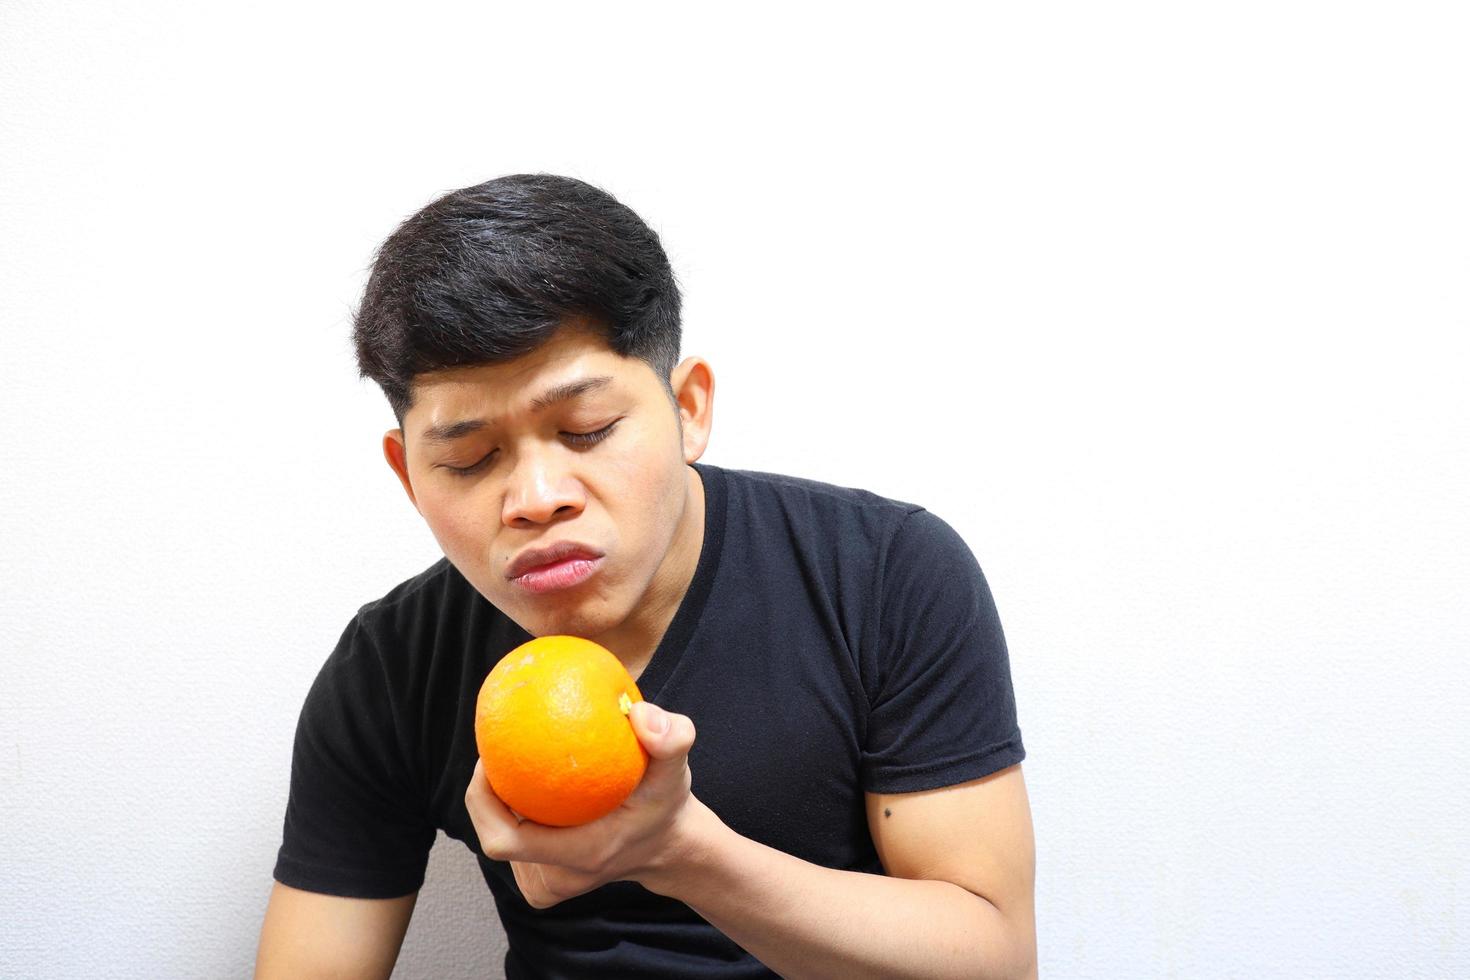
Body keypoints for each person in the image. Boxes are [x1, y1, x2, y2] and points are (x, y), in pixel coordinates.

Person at [253, 173, 1037, 979]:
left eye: (586, 430)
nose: (537, 500)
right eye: (468, 459)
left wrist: (683, 853)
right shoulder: (395, 663)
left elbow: (996, 960)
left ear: (688, 407)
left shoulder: (883, 573)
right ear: (410, 476)